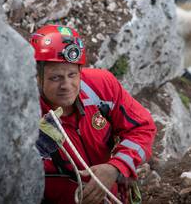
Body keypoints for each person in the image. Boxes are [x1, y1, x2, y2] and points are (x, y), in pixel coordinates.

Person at [31, 24, 157, 204]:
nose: (67, 85)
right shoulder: (27, 117)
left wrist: (116, 167)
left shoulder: (101, 86)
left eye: (72, 74)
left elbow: (143, 127)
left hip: (113, 195)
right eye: (55, 78)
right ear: (36, 76)